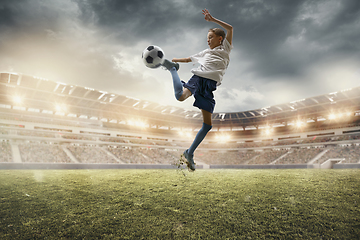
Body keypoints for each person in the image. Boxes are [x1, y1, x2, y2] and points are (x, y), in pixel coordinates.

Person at [162, 9, 233, 171]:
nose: (208, 41)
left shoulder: (225, 49)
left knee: (207, 125)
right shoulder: (205, 52)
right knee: (180, 96)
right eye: (207, 38)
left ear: (220, 39)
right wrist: (174, 60)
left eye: (210, 37)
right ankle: (173, 70)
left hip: (210, 87)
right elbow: (188, 59)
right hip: (199, 78)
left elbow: (230, 28)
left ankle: (189, 153)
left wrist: (213, 19)